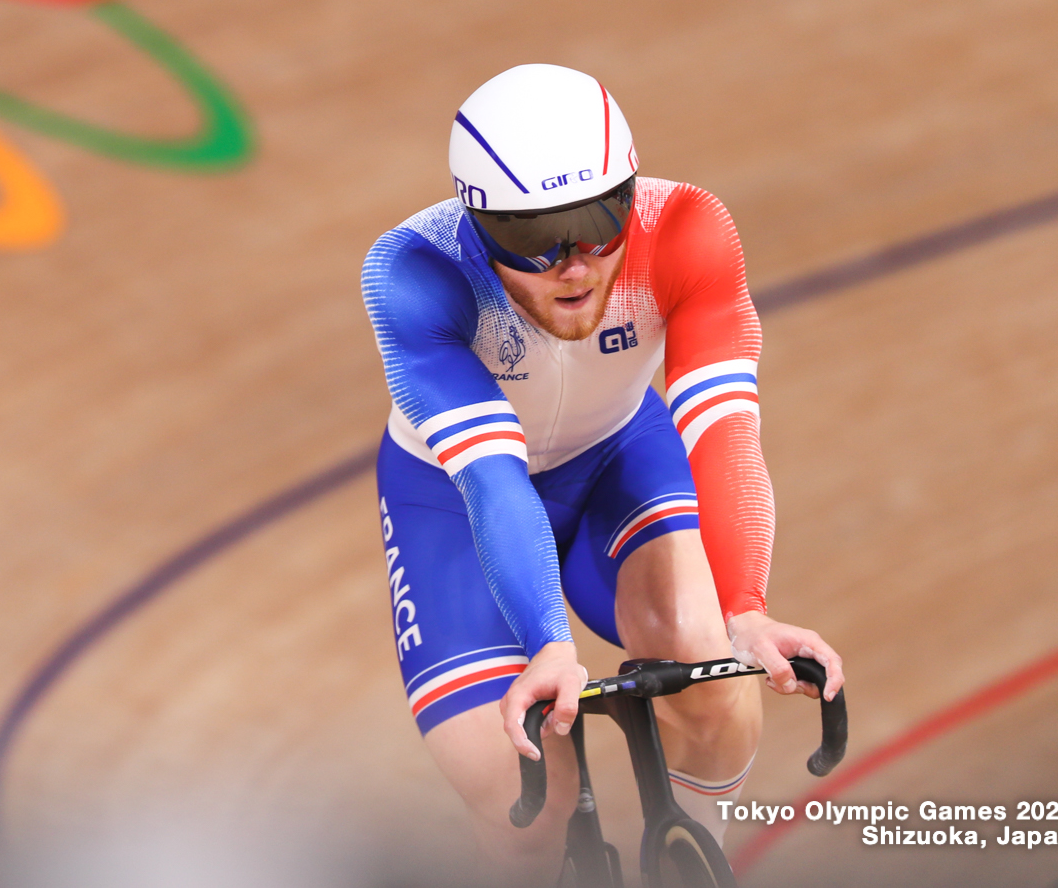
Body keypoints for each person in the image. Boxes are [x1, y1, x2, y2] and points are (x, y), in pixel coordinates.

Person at [360, 63, 842, 880]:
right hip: (452, 501)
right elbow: (491, 476)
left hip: (619, 452)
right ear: (475, 224)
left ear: (631, 194)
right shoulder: (415, 272)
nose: (571, 263)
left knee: (709, 659)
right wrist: (547, 642)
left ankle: (699, 856)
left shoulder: (686, 227)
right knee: (527, 807)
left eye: (597, 222)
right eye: (530, 238)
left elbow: (724, 429)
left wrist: (748, 609)